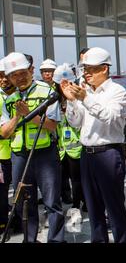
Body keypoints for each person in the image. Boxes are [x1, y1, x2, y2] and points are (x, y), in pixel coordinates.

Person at [62, 47, 126, 243]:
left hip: (108, 153)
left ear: (104, 69)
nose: (87, 73)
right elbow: (75, 123)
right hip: (87, 154)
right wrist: (73, 102)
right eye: (85, 69)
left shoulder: (117, 91)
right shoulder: (86, 92)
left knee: (114, 207)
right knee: (93, 208)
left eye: (91, 69)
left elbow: (109, 117)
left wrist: (85, 98)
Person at [0, 52, 65, 243]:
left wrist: (29, 114)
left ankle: (56, 240)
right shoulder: (8, 98)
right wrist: (17, 116)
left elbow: (52, 125)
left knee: (52, 201)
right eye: (14, 75)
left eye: (22, 73)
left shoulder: (46, 91)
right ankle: (30, 239)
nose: (19, 78)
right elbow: (4, 132)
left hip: (45, 154)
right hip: (19, 155)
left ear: (30, 70)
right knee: (23, 201)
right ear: (9, 77)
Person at [53, 64, 85, 215]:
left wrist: (72, 103)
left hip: (75, 147)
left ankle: (77, 204)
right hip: (60, 148)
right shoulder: (53, 100)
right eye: (62, 84)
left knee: (77, 179)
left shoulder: (78, 97)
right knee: (60, 178)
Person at [0, 58, 15, 238]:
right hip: (4, 154)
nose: (3, 80)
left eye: (6, 77)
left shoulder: (13, 97)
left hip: (13, 152)